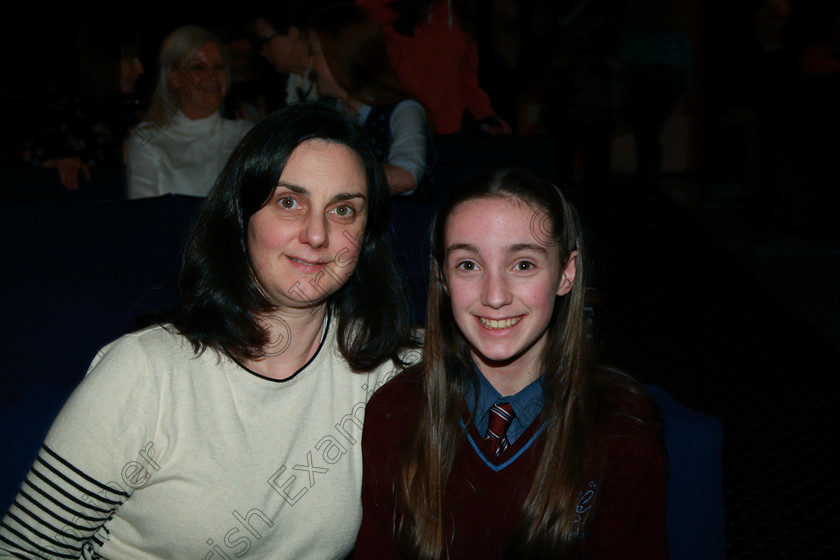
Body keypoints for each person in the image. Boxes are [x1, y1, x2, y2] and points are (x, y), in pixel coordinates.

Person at [0, 103, 421, 559]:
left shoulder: (383, 368)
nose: (317, 234)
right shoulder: (145, 373)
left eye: (343, 210)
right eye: (288, 202)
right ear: (241, 217)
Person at [354, 167, 667, 558]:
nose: (495, 296)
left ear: (565, 274)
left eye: (523, 264)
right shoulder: (394, 413)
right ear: (444, 279)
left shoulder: (620, 426)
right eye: (469, 264)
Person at [310, 2, 430, 195]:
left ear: (342, 55)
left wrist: (334, 173)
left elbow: (407, 178)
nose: (312, 65)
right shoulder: (327, 111)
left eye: (315, 54)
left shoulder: (403, 110)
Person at [127, 25, 253, 198]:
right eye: (198, 68)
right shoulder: (148, 140)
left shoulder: (247, 135)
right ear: (174, 77)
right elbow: (146, 216)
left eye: (218, 67)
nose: (212, 77)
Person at [22, 20, 145, 191]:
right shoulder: (61, 115)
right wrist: (55, 166)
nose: (140, 69)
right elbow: (25, 165)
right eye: (129, 60)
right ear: (103, 65)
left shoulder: (137, 112)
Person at [358, 0, 511, 135]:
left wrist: (485, 116)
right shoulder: (379, 6)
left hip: (447, 132)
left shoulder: (460, 12)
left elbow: (465, 75)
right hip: (395, 126)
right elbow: (348, 48)